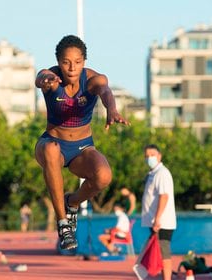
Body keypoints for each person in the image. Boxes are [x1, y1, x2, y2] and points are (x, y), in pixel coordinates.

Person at [34, 35, 129, 250]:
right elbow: (40, 77)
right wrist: (45, 81)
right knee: (51, 149)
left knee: (104, 177)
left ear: (84, 62)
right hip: (52, 143)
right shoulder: (51, 78)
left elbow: (105, 91)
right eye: (66, 62)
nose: (71, 68)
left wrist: (111, 109)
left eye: (77, 62)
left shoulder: (93, 80)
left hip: (82, 148)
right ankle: (63, 223)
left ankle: (73, 202)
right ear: (59, 62)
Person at [141, 144, 177, 280]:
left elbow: (164, 196)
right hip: (155, 221)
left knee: (164, 251)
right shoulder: (152, 174)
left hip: (162, 222)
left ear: (159, 156)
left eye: (152, 155)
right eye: (147, 156)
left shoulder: (162, 173)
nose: (149, 158)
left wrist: (158, 218)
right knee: (158, 253)